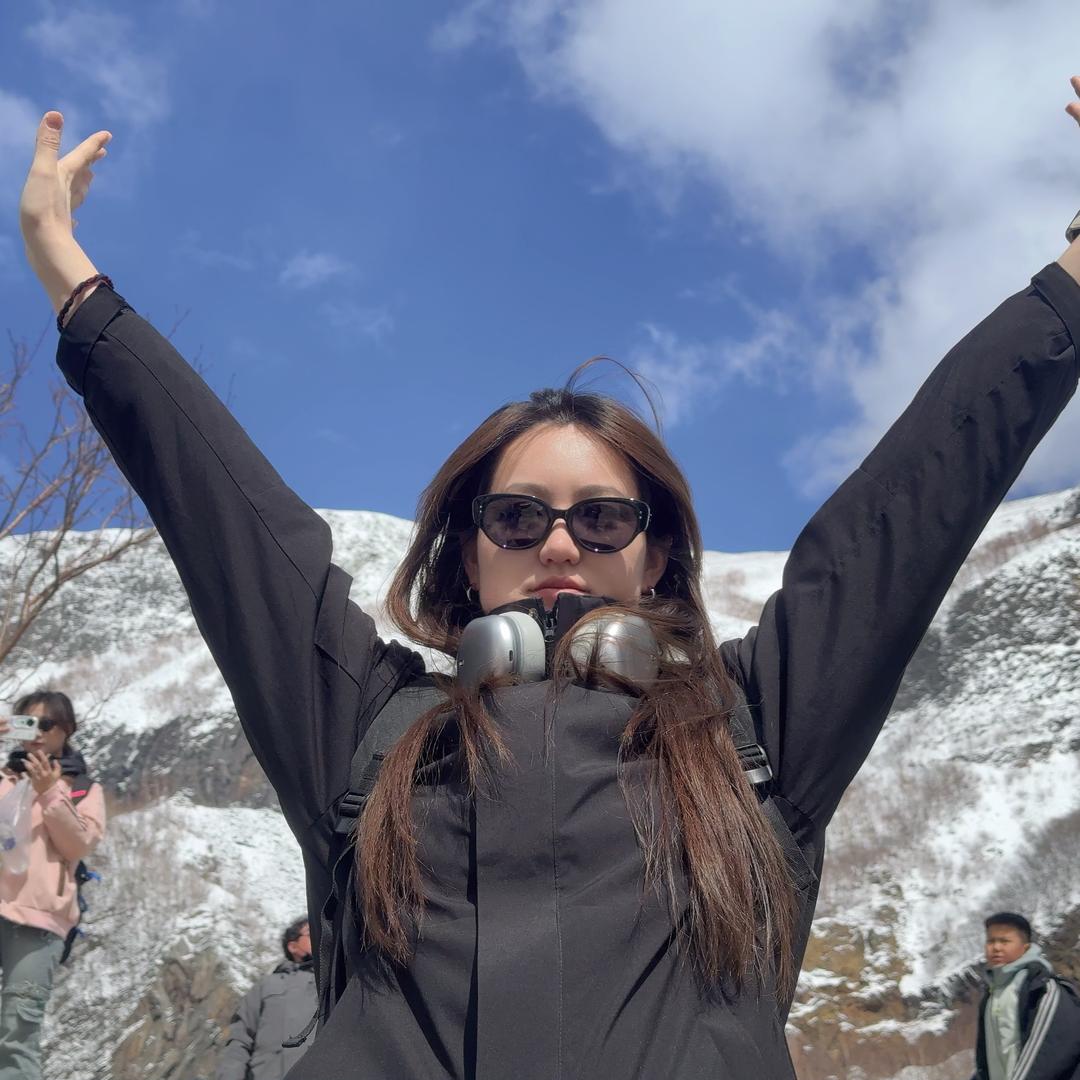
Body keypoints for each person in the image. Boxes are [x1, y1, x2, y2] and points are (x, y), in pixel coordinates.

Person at [14, 79, 1080, 1078]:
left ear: (657, 551)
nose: (558, 546)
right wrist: (72, 279)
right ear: (468, 553)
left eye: (603, 516)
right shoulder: (366, 727)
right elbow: (226, 518)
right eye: (516, 518)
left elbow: (914, 500)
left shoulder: (758, 731)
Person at [0, 691, 105, 1080]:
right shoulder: (5, 778)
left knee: (18, 1030)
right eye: (27, 723)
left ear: (67, 729)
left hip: (40, 919)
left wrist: (49, 793)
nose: (37, 734)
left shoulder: (83, 789)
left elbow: (79, 843)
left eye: (47, 725)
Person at [972, 913, 1080, 1080]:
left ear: (1026, 948)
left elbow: (1046, 1052)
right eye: (991, 941)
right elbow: (986, 1059)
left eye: (1005, 941)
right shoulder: (992, 994)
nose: (996, 947)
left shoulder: (1042, 988)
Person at [216, 918, 317, 1080]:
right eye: (311, 933)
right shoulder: (266, 986)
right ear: (293, 946)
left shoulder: (335, 982)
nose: (319, 935)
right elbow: (240, 1039)